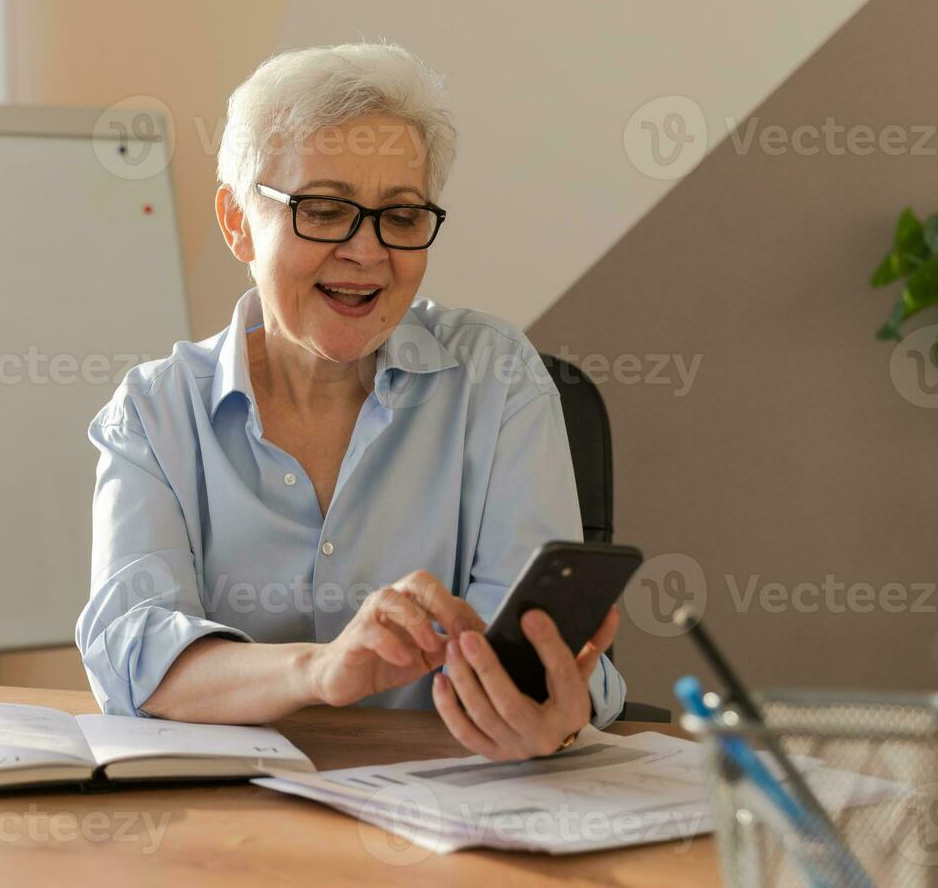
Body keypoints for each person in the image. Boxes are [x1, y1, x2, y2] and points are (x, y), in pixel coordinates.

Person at [75, 42, 624, 761]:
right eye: (326, 210)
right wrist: (320, 669)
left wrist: (549, 705)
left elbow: (534, 648)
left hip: (455, 806)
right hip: (235, 824)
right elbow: (132, 650)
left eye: (400, 217)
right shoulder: (154, 412)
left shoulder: (496, 376)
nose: (366, 252)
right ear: (238, 220)